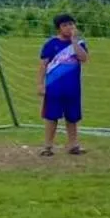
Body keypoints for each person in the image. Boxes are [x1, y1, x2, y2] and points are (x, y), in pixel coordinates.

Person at [38, 13, 88, 156]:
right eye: (65, 25)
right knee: (51, 117)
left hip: (72, 88)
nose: (69, 28)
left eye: (71, 24)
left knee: (72, 117)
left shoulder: (79, 44)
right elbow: (42, 65)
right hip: (54, 87)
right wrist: (40, 84)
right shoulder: (51, 44)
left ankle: (73, 145)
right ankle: (47, 146)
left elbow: (83, 58)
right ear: (59, 28)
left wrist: (74, 42)